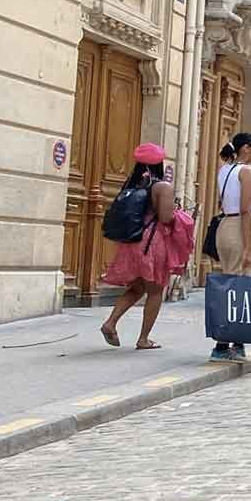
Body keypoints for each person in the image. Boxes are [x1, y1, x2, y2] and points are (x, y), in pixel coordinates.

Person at [100, 143, 182, 349]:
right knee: (155, 291)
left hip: (132, 241)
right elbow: (166, 218)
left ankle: (110, 323)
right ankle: (143, 338)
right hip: (152, 242)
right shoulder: (162, 187)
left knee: (137, 288)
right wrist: (176, 212)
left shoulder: (133, 184)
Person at [211, 131, 251, 362]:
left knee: (230, 283)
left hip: (225, 226)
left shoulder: (224, 170)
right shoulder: (247, 171)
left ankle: (225, 343)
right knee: (243, 285)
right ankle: (230, 344)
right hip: (241, 227)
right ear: (246, 149)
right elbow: (245, 209)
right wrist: (247, 247)